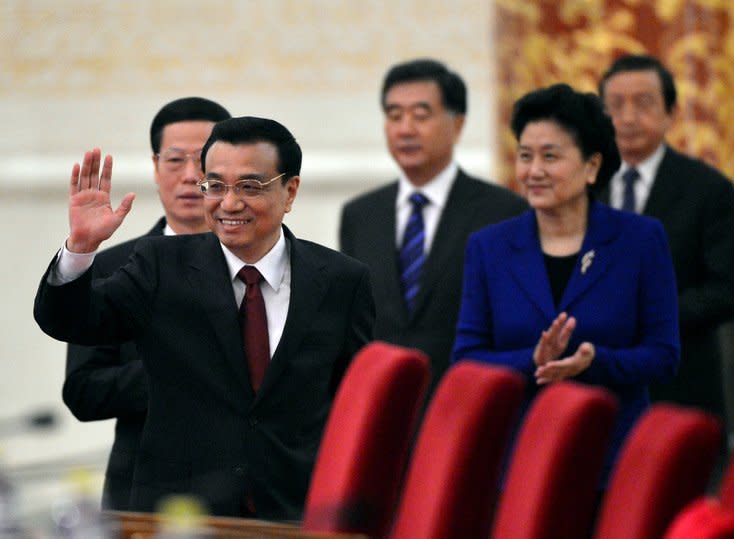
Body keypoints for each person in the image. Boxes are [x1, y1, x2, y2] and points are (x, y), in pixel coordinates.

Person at [34, 117, 375, 520]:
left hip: (296, 511)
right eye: (215, 185)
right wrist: (80, 249)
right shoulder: (161, 265)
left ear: (290, 191)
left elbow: (356, 403)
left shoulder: (340, 280)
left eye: (250, 187)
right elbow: (72, 321)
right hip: (181, 512)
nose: (229, 204)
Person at [452, 83, 680, 483]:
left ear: (592, 166)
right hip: (519, 457)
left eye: (550, 156)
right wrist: (534, 361)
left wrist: (595, 361)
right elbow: (467, 356)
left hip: (616, 458)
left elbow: (663, 355)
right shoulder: (489, 247)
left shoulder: (641, 240)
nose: (533, 170)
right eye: (525, 156)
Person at [62, 96, 231, 510]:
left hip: (249, 497)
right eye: (175, 161)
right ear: (156, 168)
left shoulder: (265, 264)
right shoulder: (114, 267)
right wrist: (181, 370)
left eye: (205, 160)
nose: (191, 176)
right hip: (143, 494)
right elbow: (85, 391)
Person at [340, 58, 527, 397]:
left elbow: (512, 326)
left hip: (466, 408)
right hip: (379, 407)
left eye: (421, 115)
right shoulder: (360, 216)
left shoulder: (504, 212)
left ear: (457, 125)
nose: (405, 129)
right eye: (394, 116)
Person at [598, 54, 734, 422]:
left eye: (644, 103)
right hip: (599, 388)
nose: (628, 117)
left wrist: (652, 314)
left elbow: (733, 290)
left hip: (679, 385)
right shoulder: (585, 188)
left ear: (671, 113)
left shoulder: (707, 189)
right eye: (615, 105)